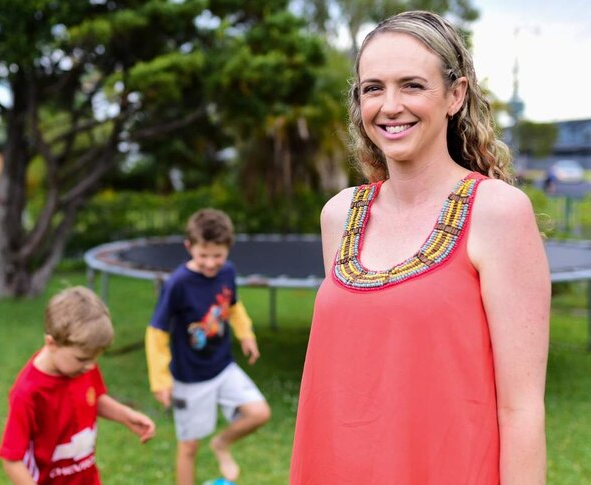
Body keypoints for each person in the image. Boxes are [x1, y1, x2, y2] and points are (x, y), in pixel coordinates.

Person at [289, 10, 550, 484]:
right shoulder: (340, 214)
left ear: (455, 95)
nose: (390, 105)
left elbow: (522, 408)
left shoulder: (498, 212)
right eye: (373, 88)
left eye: (412, 85)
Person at [145, 208, 271, 485]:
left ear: (228, 249)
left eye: (218, 255)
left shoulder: (227, 272)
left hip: (223, 366)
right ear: (189, 247)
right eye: (203, 255)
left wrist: (246, 335)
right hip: (189, 377)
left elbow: (233, 306)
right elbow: (156, 332)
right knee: (188, 447)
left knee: (259, 412)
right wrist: (160, 381)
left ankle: (221, 444)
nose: (211, 263)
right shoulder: (177, 284)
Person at [0, 286, 156, 485]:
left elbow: (94, 398)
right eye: (82, 359)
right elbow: (11, 459)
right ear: (51, 343)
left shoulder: (81, 366)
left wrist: (126, 416)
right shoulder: (28, 392)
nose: (90, 366)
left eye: (94, 359)